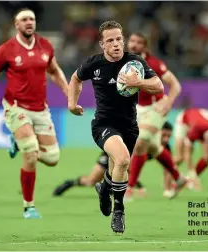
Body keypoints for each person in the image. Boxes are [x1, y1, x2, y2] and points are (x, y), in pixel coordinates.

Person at [67, 20, 164, 233]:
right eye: (110, 40)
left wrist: (137, 82)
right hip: (103, 124)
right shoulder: (94, 64)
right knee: (122, 159)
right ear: (102, 45)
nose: (116, 44)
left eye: (119, 39)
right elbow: (75, 78)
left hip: (129, 126)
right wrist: (72, 104)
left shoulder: (135, 62)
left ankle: (104, 188)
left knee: (118, 168)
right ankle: (119, 211)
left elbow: (158, 86)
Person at [0, 8, 69, 219]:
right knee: (30, 153)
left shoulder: (45, 45)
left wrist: (68, 92)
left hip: (40, 109)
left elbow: (54, 70)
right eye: (24, 19)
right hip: (16, 106)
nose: (29, 22)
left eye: (32, 19)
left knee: (52, 158)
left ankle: (17, 141)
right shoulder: (7, 49)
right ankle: (29, 206)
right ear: (16, 24)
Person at [125, 32, 186, 200]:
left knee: (141, 140)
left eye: (138, 42)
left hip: (156, 107)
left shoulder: (154, 64)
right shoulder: (122, 63)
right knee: (153, 147)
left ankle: (129, 189)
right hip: (137, 110)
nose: (134, 45)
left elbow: (175, 85)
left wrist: (169, 102)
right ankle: (179, 178)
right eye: (132, 41)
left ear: (144, 46)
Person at [52, 122, 174, 197]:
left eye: (169, 136)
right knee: (91, 181)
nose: (166, 139)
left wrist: (168, 189)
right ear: (157, 132)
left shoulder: (164, 148)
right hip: (111, 153)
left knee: (116, 182)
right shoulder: (143, 141)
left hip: (123, 165)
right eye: (164, 135)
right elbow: (129, 167)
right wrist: (139, 186)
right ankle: (70, 183)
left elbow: (167, 169)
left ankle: (109, 189)